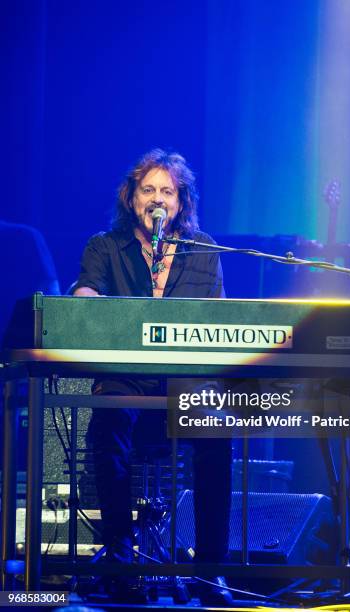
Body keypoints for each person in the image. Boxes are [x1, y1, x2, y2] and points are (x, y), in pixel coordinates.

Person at [73, 149, 232, 604]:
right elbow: (86, 292)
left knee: (217, 428)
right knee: (109, 420)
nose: (157, 199)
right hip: (126, 374)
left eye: (167, 191)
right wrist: (85, 299)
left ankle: (210, 570)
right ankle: (122, 559)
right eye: (148, 190)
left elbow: (221, 320)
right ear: (131, 197)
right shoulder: (104, 246)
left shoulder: (204, 251)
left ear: (181, 202)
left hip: (187, 377)